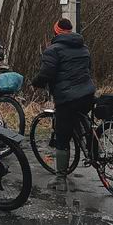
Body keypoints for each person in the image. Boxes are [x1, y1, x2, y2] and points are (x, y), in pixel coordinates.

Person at [31, 18, 96, 191]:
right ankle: (93, 151)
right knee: (83, 121)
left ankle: (60, 179)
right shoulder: (84, 47)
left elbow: (46, 73)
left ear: (56, 32)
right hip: (88, 94)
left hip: (67, 99)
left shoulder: (53, 50)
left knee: (62, 136)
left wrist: (36, 83)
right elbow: (89, 68)